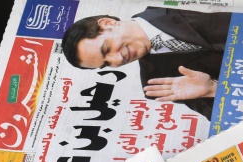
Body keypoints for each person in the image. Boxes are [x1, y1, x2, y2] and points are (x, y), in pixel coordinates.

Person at [62, 7, 232, 119]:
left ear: (107, 23)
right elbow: (230, 118)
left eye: (106, 49)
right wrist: (214, 89)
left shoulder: (165, 5)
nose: (118, 60)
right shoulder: (156, 83)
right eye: (107, 64)